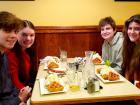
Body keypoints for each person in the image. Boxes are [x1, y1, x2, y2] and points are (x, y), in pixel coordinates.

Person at [0, 11, 31, 105]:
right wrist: (19, 100)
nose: (14, 36)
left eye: (16, 32)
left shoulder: (3, 55)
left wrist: (20, 98)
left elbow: (10, 87)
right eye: (7, 30)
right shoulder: (8, 54)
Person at [5, 20, 37, 91]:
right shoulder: (11, 54)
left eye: (32, 35)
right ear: (16, 34)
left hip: (28, 88)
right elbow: (15, 84)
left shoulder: (28, 51)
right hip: (19, 94)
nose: (28, 38)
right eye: (24, 35)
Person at [122, 14, 140, 86]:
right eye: (130, 28)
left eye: (137, 29)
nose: (132, 32)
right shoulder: (129, 45)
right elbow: (127, 69)